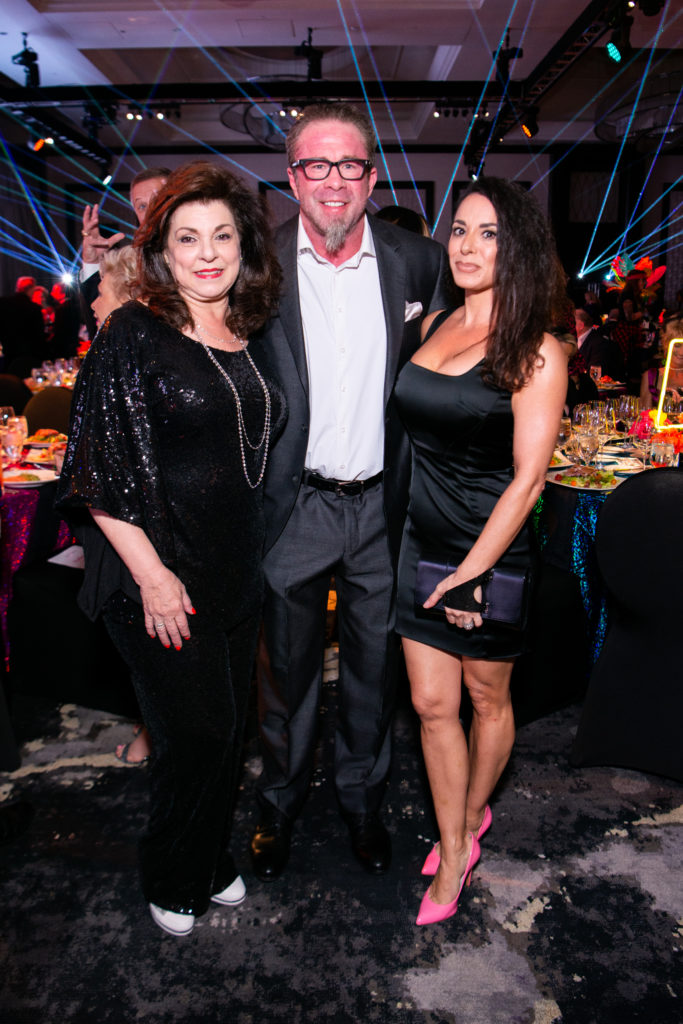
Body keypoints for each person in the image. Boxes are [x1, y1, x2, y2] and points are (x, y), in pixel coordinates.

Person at [56, 161, 284, 937]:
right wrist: (153, 577)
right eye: (188, 238)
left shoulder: (247, 333)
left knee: (225, 735)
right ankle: (172, 871)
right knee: (196, 738)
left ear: (244, 247)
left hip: (234, 570)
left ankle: (208, 856)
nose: (207, 252)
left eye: (222, 235)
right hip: (161, 576)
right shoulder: (134, 332)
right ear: (162, 250)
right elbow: (94, 471)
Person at [248, 102, 451, 882]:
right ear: (291, 177)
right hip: (292, 506)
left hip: (382, 508)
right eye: (315, 165)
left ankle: (363, 801)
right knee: (285, 672)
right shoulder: (256, 264)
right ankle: (279, 800)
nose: (332, 182)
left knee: (374, 671)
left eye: (349, 166)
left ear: (370, 177)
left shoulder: (419, 263)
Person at [394, 177, 567, 925]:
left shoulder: (536, 349)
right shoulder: (434, 323)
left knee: (486, 697)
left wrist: (472, 572)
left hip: (487, 547)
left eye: (487, 233)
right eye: (459, 230)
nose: (466, 246)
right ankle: (455, 834)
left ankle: (464, 832)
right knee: (431, 704)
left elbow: (529, 479)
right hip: (418, 538)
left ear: (516, 247)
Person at [80, 167, 171, 336]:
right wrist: (92, 262)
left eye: (158, 201)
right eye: (142, 206)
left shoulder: (204, 256)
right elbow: (103, 330)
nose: (151, 211)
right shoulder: (133, 266)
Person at [574, 307, 624, 382]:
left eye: (571, 322)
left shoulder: (598, 343)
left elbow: (595, 375)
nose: (568, 325)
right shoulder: (575, 340)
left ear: (581, 325)